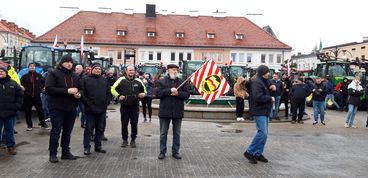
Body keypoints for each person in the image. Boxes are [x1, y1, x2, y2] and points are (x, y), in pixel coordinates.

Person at [46, 55, 81, 163]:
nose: (69, 64)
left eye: (71, 62)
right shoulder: (53, 73)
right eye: (66, 62)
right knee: (56, 132)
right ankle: (53, 154)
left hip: (71, 107)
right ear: (62, 63)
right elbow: (49, 89)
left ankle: (65, 153)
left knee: (67, 132)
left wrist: (79, 94)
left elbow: (81, 89)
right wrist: (66, 91)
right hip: (57, 107)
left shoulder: (75, 75)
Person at [156, 64, 190, 160]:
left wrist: (178, 93)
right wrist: (169, 90)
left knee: (177, 133)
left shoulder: (182, 82)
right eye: (173, 70)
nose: (175, 71)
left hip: (177, 112)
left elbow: (187, 95)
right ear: (168, 71)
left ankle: (175, 151)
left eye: (176, 70)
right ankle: (162, 151)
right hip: (164, 112)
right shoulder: (162, 81)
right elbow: (158, 93)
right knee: (163, 133)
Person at [243, 65, 274, 164]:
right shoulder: (257, 82)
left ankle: (258, 153)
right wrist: (269, 98)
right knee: (262, 132)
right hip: (259, 110)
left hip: (265, 110)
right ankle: (249, 152)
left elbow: (269, 90)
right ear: (263, 73)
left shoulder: (265, 81)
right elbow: (257, 97)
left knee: (265, 134)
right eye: (267, 72)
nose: (269, 73)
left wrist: (273, 88)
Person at [111, 65, 146, 148]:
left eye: (133, 70)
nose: (131, 72)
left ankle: (133, 140)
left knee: (134, 124)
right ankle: (125, 140)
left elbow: (144, 91)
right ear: (126, 71)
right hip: (124, 107)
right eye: (130, 70)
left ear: (135, 72)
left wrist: (143, 94)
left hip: (135, 106)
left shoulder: (138, 81)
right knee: (124, 124)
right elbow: (112, 89)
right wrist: (118, 95)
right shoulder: (121, 80)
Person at [80, 63, 111, 155]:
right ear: (92, 69)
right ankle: (86, 147)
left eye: (99, 69)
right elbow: (83, 94)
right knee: (89, 129)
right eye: (96, 69)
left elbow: (108, 93)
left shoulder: (104, 80)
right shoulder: (85, 79)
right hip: (90, 109)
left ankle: (98, 146)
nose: (98, 70)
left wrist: (107, 102)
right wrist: (89, 104)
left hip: (102, 109)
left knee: (100, 129)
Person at [0, 66, 23, 155]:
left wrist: (16, 107)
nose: (0, 72)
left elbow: (20, 96)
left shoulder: (13, 84)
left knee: (9, 131)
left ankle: (11, 147)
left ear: (6, 73)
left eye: (2, 71)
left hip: (10, 113)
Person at [21, 63, 49, 130]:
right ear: (28, 67)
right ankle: (29, 125)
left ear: (35, 68)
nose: (32, 67)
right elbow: (20, 84)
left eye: (33, 66)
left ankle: (43, 124)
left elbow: (44, 83)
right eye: (30, 66)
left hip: (37, 96)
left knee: (40, 110)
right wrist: (23, 88)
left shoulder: (39, 76)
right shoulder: (24, 76)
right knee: (28, 111)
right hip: (27, 96)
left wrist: (42, 88)